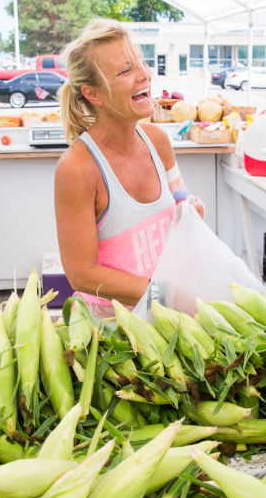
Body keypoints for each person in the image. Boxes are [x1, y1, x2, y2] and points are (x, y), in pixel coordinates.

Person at [54, 19, 202, 314]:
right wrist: (161, 295)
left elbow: (181, 201)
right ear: (92, 94)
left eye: (141, 63)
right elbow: (81, 273)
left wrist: (191, 211)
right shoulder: (78, 169)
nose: (145, 75)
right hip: (112, 329)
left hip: (167, 314)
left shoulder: (158, 142)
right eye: (126, 71)